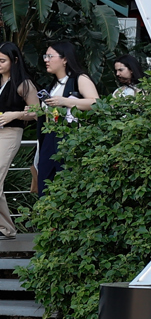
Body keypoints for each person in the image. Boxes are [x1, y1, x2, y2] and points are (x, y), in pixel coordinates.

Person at [37, 40, 99, 194]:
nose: (46, 60)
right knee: (45, 180)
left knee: (67, 179)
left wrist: (66, 101)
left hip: (70, 136)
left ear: (65, 59)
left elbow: (96, 103)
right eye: (45, 56)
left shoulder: (79, 79)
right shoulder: (54, 85)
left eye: (50, 56)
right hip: (50, 136)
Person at [0, 43, 38, 240]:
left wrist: (15, 114)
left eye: (2, 60)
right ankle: (7, 228)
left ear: (14, 61)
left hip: (10, 133)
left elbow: (36, 112)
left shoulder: (24, 84)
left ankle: (7, 229)